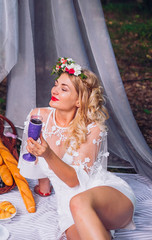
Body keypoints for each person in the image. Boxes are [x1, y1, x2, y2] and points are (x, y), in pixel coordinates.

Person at [18, 57, 135, 239]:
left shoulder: (92, 127)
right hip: (68, 207)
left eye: (64, 89)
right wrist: (44, 190)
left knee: (79, 201)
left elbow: (74, 181)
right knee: (75, 207)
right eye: (56, 84)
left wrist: (48, 154)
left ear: (79, 101)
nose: (55, 90)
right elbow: (33, 161)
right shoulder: (38, 116)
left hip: (105, 195)